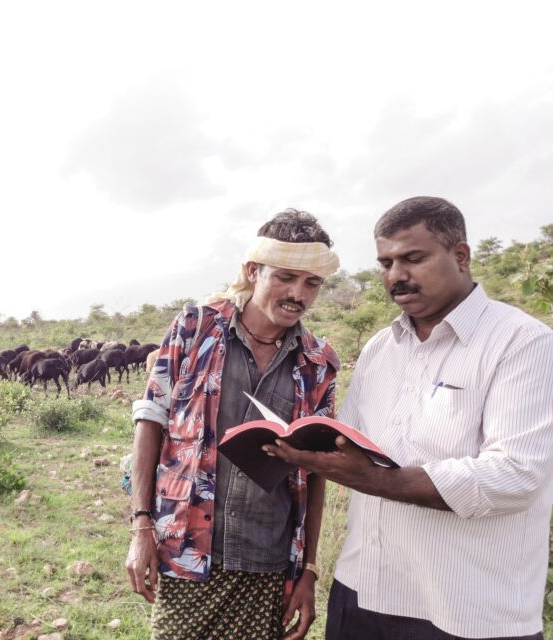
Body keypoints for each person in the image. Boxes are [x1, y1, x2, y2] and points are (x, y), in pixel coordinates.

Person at [266, 196, 553, 639]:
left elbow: (515, 476)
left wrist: (377, 480)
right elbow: (351, 443)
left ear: (461, 256)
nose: (396, 275)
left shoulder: (522, 343)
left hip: (466, 608)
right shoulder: (381, 348)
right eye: (385, 263)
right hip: (363, 590)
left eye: (412, 258)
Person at [127, 208, 342, 640]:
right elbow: (151, 419)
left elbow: (316, 471)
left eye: (311, 283)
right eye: (285, 277)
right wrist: (141, 526)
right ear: (252, 270)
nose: (298, 294)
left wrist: (309, 571)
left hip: (268, 560)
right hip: (186, 552)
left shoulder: (318, 363)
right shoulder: (196, 328)